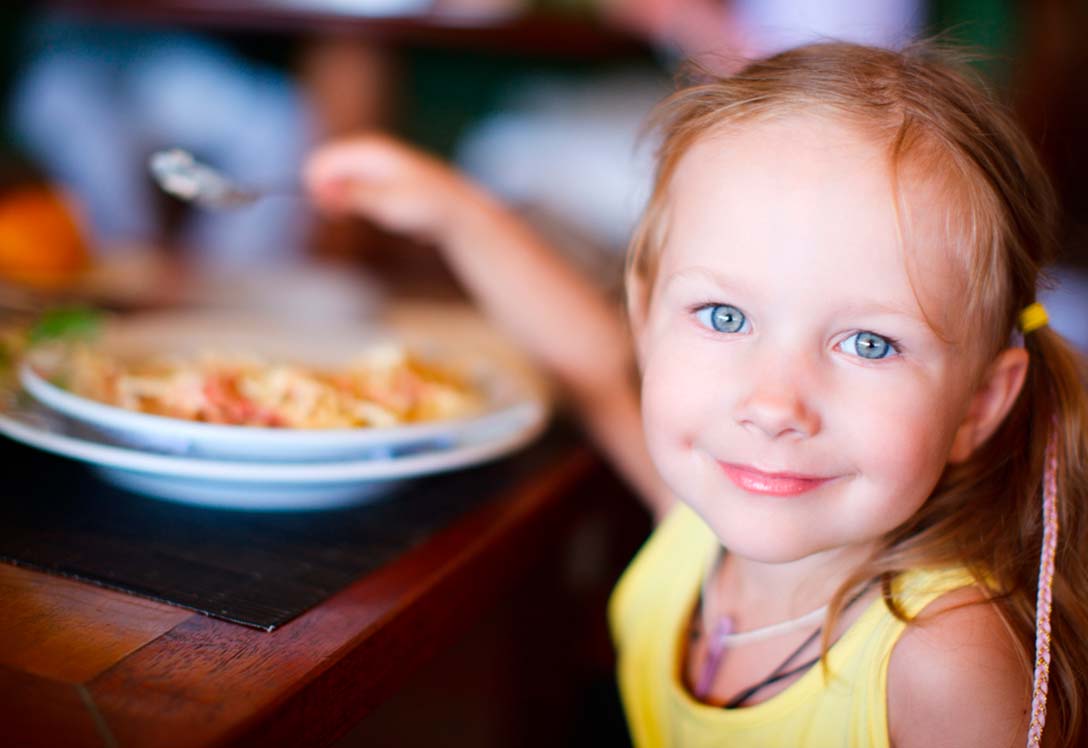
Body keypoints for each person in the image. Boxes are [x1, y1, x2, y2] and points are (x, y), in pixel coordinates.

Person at [303, 41, 1088, 746]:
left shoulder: (946, 663)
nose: (777, 405)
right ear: (648, 321)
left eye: (869, 343)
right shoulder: (696, 532)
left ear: (981, 404)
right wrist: (454, 212)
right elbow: (588, 361)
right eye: (723, 315)